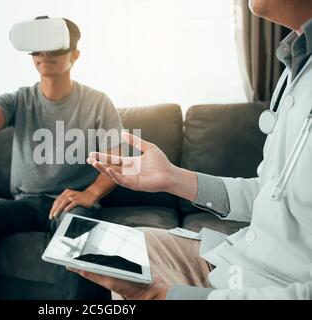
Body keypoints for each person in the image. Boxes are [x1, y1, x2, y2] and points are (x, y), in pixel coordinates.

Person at [72, 0, 312, 299]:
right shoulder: (296, 67)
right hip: (238, 262)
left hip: (275, 287)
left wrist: (167, 296)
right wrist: (172, 178)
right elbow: (271, 191)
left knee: (131, 276)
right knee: (116, 248)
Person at [0, 16, 123, 299]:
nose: (46, 54)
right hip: (24, 204)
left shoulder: (98, 102)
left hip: (69, 206)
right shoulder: (19, 99)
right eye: (38, 48)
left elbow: (116, 159)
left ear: (75, 55)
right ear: (32, 57)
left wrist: (91, 193)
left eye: (55, 47)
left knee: (78, 222)